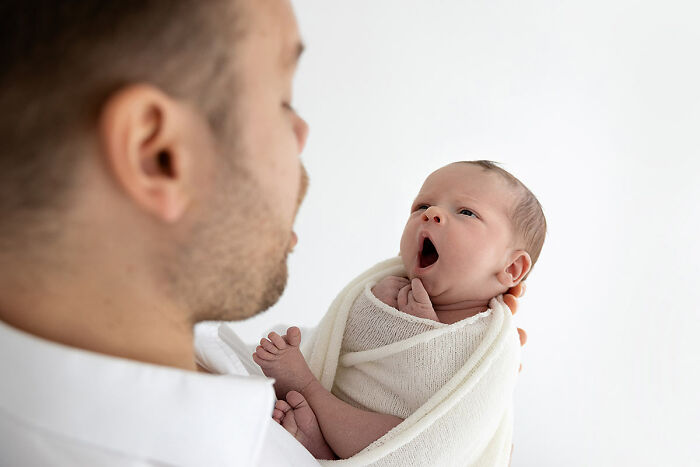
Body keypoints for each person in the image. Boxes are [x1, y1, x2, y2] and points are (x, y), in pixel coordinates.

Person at [0, 1, 525, 465]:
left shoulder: (202, 362)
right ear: (157, 155)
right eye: (283, 100)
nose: (302, 133)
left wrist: (459, 386)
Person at [254, 161, 543, 461]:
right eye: (422, 206)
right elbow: (344, 344)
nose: (432, 214)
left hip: (411, 450)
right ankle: (324, 443)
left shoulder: (493, 344)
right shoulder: (384, 286)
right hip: (347, 407)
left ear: (512, 267)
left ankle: (306, 389)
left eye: (466, 212)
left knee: (402, 435)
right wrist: (376, 314)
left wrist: (418, 333)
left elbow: (446, 430)